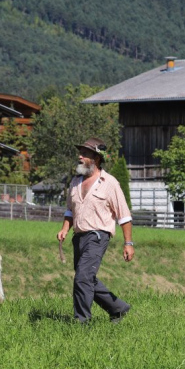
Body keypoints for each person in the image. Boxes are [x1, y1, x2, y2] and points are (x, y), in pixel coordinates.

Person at [57, 137, 134, 323]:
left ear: (97, 158)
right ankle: (118, 308)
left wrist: (128, 243)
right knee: (86, 278)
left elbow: (124, 215)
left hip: (98, 236)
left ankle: (81, 321)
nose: (80, 156)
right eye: (80, 153)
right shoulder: (75, 182)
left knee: (82, 277)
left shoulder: (110, 183)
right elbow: (70, 209)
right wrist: (65, 228)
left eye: (85, 154)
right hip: (79, 236)